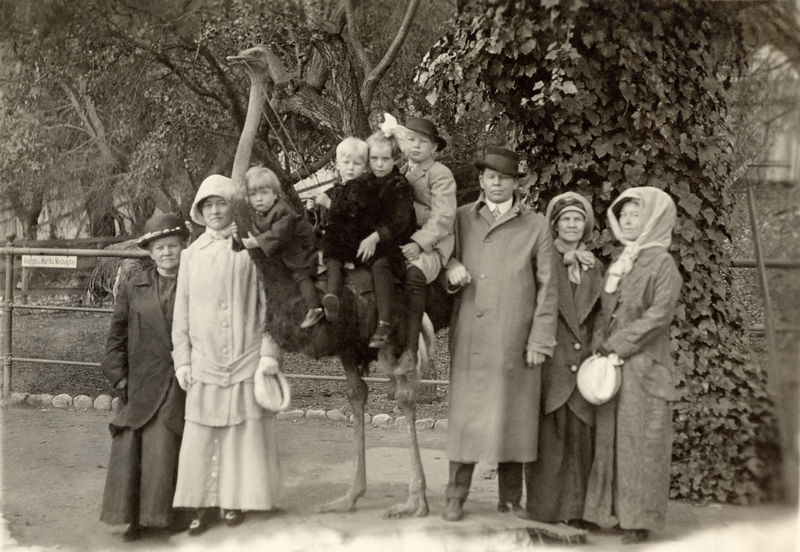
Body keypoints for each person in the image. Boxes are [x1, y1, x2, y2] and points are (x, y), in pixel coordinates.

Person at [443, 146, 558, 522]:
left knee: (514, 418)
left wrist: (540, 339)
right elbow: (439, 254)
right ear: (480, 180)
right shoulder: (461, 218)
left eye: (504, 177)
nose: (496, 183)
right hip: (472, 337)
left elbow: (548, 286)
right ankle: (455, 496)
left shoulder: (536, 224)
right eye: (490, 176)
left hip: (516, 338)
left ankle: (510, 499)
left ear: (515, 184)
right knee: (466, 418)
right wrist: (453, 265)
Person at [171, 174, 283, 536]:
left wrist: (269, 352)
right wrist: (183, 359)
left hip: (246, 354)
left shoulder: (253, 247)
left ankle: (235, 500)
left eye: (222, 203)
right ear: (200, 211)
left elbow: (272, 305)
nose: (216, 211)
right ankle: (202, 505)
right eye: (208, 205)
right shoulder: (190, 256)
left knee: (240, 435)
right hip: (204, 358)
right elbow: (182, 312)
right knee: (202, 435)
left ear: (234, 206)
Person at [582, 186, 682, 544]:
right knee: (607, 439)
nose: (626, 219)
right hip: (612, 364)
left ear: (655, 219)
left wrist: (619, 345)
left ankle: (639, 520)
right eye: (623, 214)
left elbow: (659, 315)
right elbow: (604, 312)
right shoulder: (623, 260)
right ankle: (601, 512)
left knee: (641, 443)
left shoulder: (662, 262)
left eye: (635, 214)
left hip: (645, 366)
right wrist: (599, 346)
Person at [99, 213, 190, 541]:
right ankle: (131, 518)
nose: (167, 253)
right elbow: (117, 334)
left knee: (164, 442)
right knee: (131, 444)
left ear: (184, 247)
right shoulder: (134, 285)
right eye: (160, 248)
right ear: (150, 253)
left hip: (179, 378)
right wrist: (118, 376)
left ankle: (164, 516)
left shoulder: (194, 284)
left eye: (173, 246)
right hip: (140, 379)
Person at [526, 192, 603, 526]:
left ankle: (580, 512)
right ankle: (547, 511)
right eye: (565, 220)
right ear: (554, 225)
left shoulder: (595, 265)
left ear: (585, 225)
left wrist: (598, 348)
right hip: (553, 360)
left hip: (585, 360)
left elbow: (602, 312)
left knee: (582, 439)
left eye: (578, 219)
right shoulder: (545, 261)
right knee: (551, 439)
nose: (572, 225)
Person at [396, 117, 457, 374]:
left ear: (434, 148)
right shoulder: (399, 172)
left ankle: (410, 351)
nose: (417, 146)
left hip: (432, 244)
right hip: (404, 241)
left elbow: (443, 218)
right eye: (411, 140)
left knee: (414, 275)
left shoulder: (440, 174)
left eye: (424, 142)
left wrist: (419, 244)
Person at [235, 166, 322, 329]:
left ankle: (314, 308)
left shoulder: (282, 212)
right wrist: (239, 236)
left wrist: (257, 242)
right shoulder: (260, 215)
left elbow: (279, 234)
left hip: (299, 251)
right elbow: (255, 231)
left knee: (300, 276)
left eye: (264, 193)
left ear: (275, 194)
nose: (259, 199)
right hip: (284, 253)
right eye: (253, 195)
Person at [306, 137, 369, 322]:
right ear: (337, 165)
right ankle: (310, 301)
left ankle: (332, 297)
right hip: (334, 236)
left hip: (353, 238)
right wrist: (313, 209)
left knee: (333, 260)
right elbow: (322, 218)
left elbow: (354, 212)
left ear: (365, 167)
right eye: (346, 162)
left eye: (357, 163)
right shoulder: (334, 189)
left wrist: (330, 204)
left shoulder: (361, 189)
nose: (350, 168)